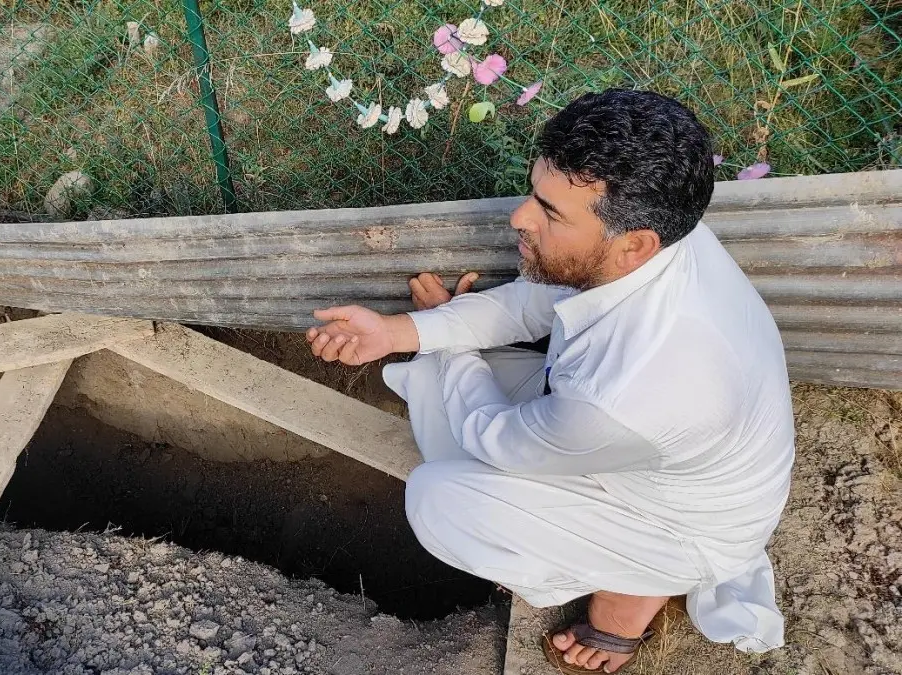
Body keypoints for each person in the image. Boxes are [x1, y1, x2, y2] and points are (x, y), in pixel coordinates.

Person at [305, 89, 794, 673]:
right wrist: (399, 331)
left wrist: (453, 341)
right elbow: (537, 302)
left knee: (441, 497)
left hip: (676, 524)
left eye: (549, 213)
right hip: (645, 449)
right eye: (535, 192)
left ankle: (635, 587)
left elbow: (493, 436)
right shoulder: (661, 238)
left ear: (634, 245)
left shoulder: (630, 391)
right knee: (443, 377)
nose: (519, 217)